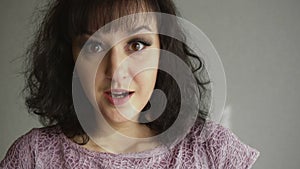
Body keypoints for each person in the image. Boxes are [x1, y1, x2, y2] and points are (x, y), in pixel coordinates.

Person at [0, 0, 259, 168]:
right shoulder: (32, 157)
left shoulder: (213, 152)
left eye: (136, 45)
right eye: (95, 46)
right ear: (70, 58)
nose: (116, 70)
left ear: (163, 51)